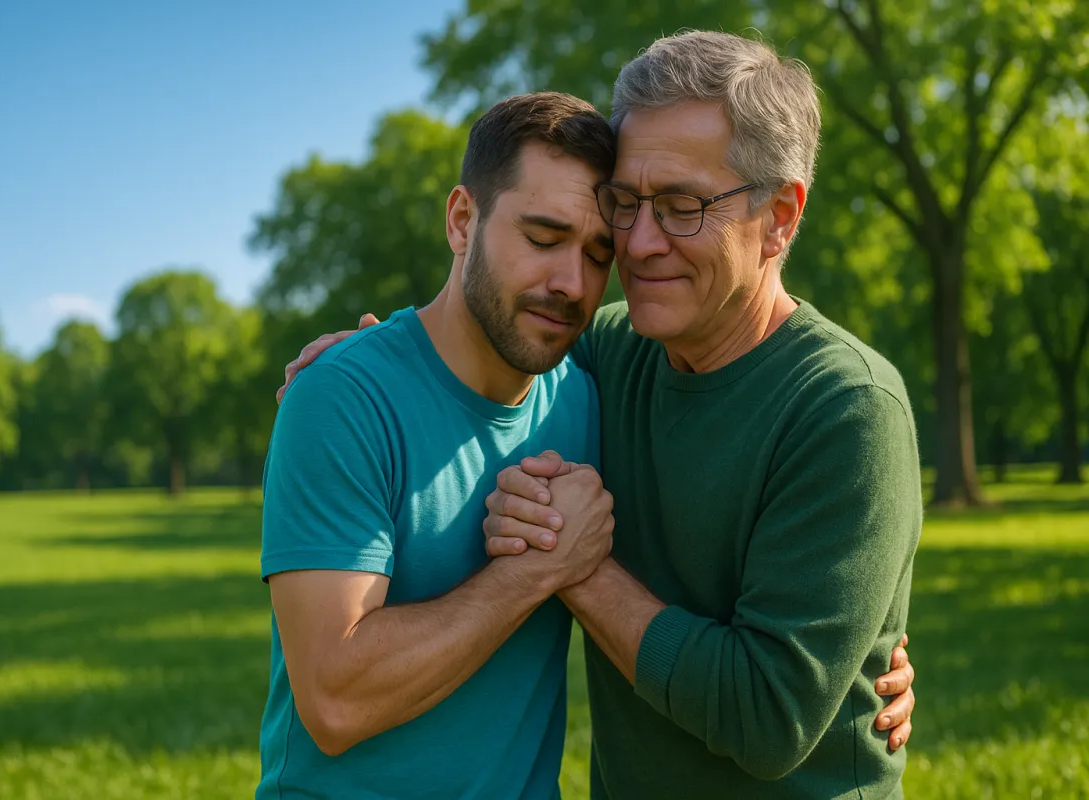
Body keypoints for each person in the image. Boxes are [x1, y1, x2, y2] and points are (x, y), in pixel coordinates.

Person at [277, 30, 920, 800]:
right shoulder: (607, 356)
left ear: (779, 216)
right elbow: (476, 344)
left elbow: (769, 715)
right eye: (627, 205)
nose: (638, 246)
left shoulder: (846, 408)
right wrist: (370, 360)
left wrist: (573, 564)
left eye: (683, 207)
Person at [257, 92, 621, 800]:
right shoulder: (343, 399)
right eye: (543, 238)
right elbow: (334, 700)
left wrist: (872, 656)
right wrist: (534, 572)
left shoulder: (593, 396)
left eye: (598, 254)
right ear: (463, 220)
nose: (570, 283)